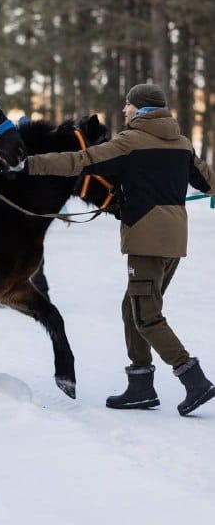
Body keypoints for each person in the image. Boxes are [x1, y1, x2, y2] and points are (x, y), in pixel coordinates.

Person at [17, 83, 215, 416]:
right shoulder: (182, 145)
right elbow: (208, 183)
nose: (124, 111)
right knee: (133, 308)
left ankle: (193, 380)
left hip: (147, 241)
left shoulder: (129, 143)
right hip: (174, 242)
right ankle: (141, 385)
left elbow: (80, 161)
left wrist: (28, 165)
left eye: (128, 105)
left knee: (147, 316)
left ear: (142, 109)